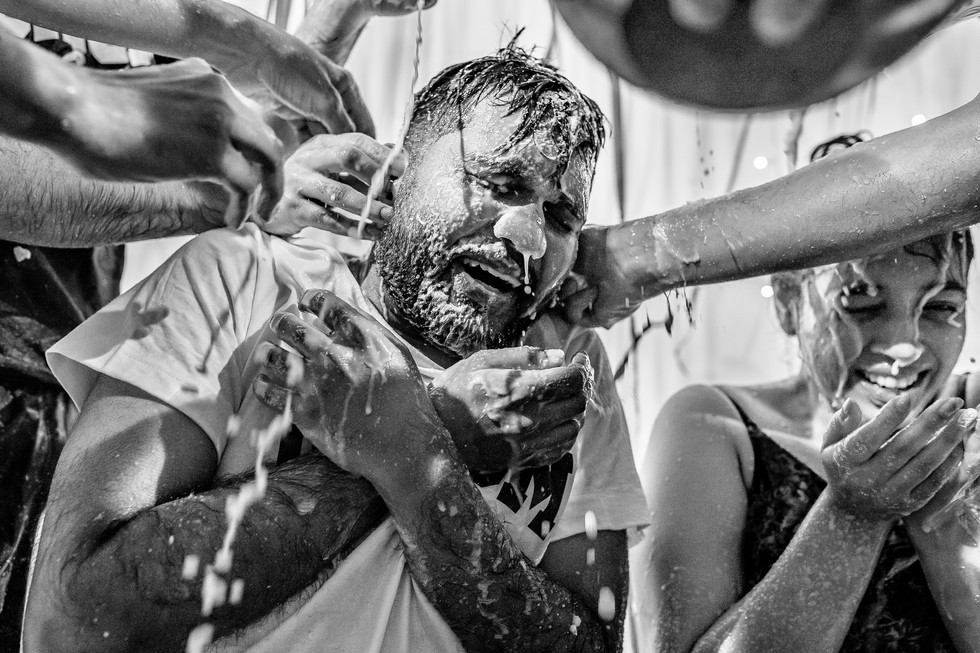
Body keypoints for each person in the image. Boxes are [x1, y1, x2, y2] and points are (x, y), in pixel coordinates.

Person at [24, 45, 649, 652]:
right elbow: (73, 623)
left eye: (562, 218)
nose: (530, 239)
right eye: (502, 182)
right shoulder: (242, 280)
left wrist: (416, 452)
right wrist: (434, 442)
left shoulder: (571, 373)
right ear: (397, 172)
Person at [629, 134, 980, 652]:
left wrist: (949, 531)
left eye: (940, 307)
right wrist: (852, 516)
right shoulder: (715, 426)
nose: (906, 345)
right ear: (790, 304)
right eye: (859, 302)